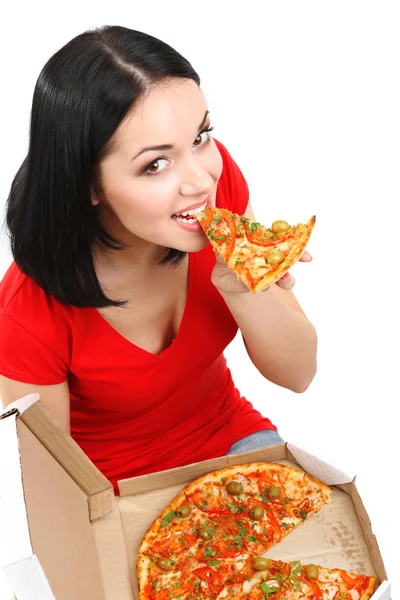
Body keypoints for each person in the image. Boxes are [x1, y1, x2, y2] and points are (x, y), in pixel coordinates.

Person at [0, 25, 317, 494]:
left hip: (230, 441)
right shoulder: (24, 314)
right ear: (87, 184)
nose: (199, 181)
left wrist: (246, 286)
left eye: (200, 136)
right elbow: (56, 484)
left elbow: (298, 375)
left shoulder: (217, 190)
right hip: (112, 491)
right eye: (155, 164)